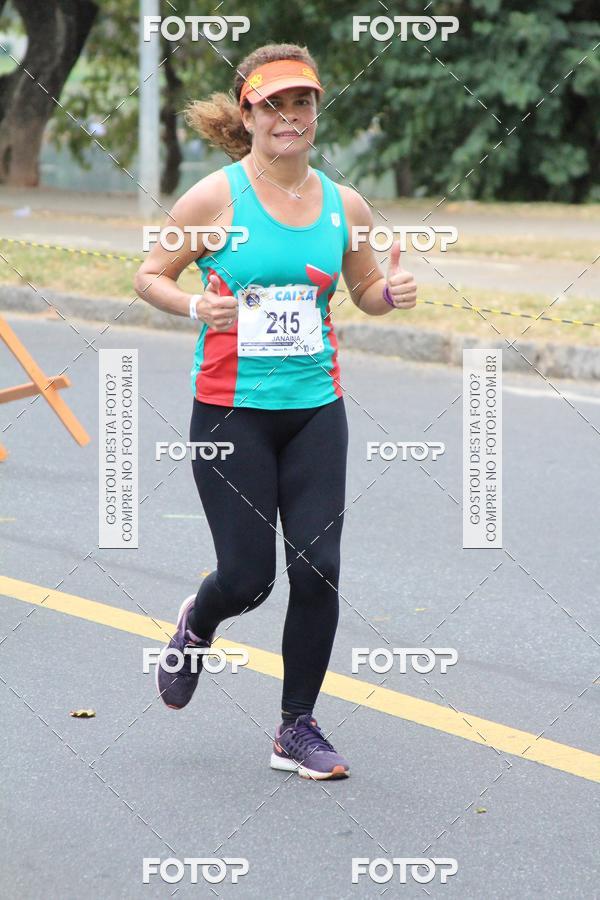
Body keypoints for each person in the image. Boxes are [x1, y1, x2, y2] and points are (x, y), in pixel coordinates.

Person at [133, 42, 417, 780]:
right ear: (249, 112)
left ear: (316, 110)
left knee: (318, 568)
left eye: (302, 102)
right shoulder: (215, 198)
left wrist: (392, 294)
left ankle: (297, 727)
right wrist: (198, 303)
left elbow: (362, 292)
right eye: (273, 103)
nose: (289, 115)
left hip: (317, 410)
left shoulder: (342, 202)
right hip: (231, 412)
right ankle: (198, 621)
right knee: (248, 577)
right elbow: (149, 275)